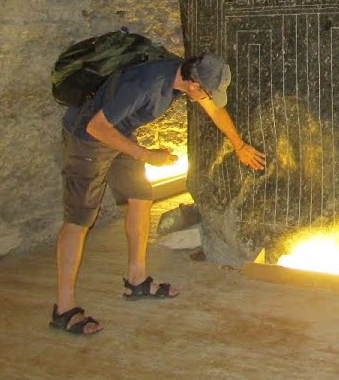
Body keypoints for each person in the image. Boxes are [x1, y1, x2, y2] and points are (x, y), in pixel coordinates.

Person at [50, 52, 267, 335]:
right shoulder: (145, 84)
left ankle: (136, 280)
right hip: (88, 138)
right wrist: (148, 155)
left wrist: (239, 145)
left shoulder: (184, 74)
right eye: (205, 93)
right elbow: (97, 126)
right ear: (194, 85)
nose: (207, 98)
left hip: (120, 134)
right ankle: (64, 309)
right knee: (80, 219)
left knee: (141, 197)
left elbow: (214, 110)